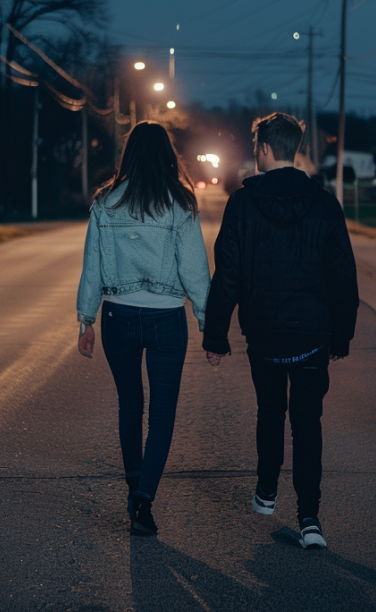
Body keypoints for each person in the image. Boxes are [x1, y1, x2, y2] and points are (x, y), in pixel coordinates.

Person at [202, 112, 359, 550]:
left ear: (265, 150)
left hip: (266, 333)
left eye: (256, 149)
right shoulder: (325, 204)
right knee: (308, 421)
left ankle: (267, 492)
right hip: (312, 334)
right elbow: (343, 275)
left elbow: (227, 275)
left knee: (270, 410)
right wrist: (340, 336)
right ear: (296, 149)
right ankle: (310, 518)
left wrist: (215, 336)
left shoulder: (242, 203)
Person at [76, 121, 210, 536]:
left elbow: (92, 267)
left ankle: (134, 485)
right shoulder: (180, 203)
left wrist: (86, 318)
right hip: (167, 318)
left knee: (130, 404)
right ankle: (144, 498)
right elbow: (194, 269)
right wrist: (208, 320)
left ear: (128, 153)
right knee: (163, 412)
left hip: (118, 317)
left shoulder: (105, 201)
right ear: (167, 155)